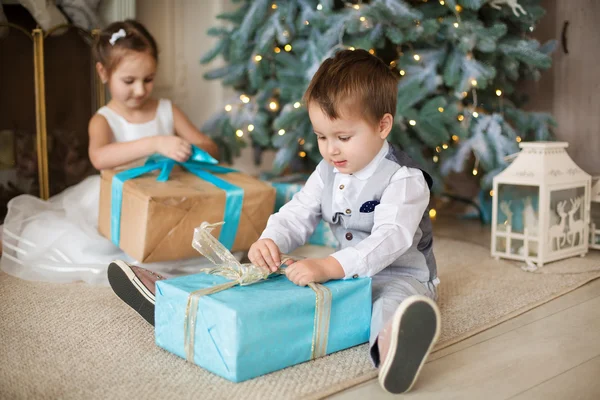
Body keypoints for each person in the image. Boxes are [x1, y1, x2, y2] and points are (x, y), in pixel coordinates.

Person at [107, 49, 440, 394]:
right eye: (321, 137)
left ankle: (393, 350)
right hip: (345, 273)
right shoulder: (328, 170)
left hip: (400, 276)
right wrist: (271, 240)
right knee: (274, 280)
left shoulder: (404, 178)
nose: (331, 150)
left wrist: (327, 265)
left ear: (382, 126)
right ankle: (178, 298)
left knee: (385, 304)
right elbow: (297, 212)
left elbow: (391, 238)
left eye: (343, 138)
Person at [0, 19, 219, 285]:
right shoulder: (104, 119)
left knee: (190, 242)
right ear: (103, 73)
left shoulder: (167, 110)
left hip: (163, 195)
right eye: (129, 80)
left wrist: (185, 151)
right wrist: (155, 143)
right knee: (91, 247)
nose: (140, 90)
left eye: (148, 79)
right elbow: (100, 157)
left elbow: (209, 147)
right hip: (117, 198)